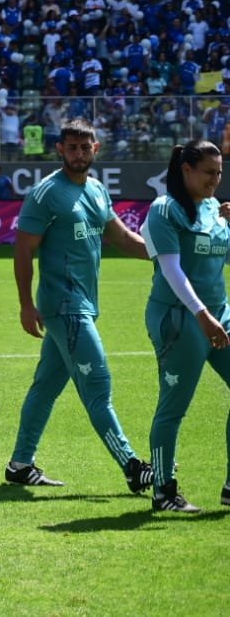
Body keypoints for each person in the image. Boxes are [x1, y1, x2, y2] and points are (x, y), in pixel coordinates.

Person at [3, 119, 155, 494]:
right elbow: (23, 249)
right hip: (64, 306)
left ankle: (20, 464)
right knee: (98, 384)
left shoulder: (98, 191)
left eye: (85, 148)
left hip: (83, 303)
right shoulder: (45, 194)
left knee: (46, 386)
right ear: (60, 149)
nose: (78, 154)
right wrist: (25, 303)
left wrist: (165, 254)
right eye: (72, 148)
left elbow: (122, 237)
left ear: (96, 149)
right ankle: (133, 467)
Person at [141, 140, 230, 513]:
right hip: (180, 317)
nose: (216, 179)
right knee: (174, 406)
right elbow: (172, 270)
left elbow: (215, 260)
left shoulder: (213, 209)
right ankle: (164, 490)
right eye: (209, 172)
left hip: (219, 312)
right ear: (186, 170)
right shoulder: (164, 210)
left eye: (220, 173)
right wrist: (202, 315)